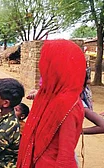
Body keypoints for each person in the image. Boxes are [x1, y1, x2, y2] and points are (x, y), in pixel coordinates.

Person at [17, 40, 86, 168]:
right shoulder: (46, 96)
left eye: (46, 62)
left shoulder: (67, 105)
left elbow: (65, 157)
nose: (41, 66)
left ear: (57, 67)